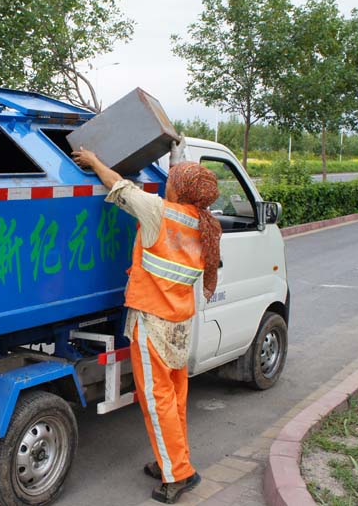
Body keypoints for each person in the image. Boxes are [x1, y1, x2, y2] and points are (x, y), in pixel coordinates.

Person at [72, 138, 221, 504]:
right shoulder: (203, 224)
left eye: (174, 178)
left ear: (180, 189)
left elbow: (119, 187)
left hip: (153, 323)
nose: (168, 181)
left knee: (157, 402)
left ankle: (178, 475)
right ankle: (171, 460)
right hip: (179, 322)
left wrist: (93, 159)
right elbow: (177, 180)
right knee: (175, 398)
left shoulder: (159, 213)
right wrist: (176, 149)